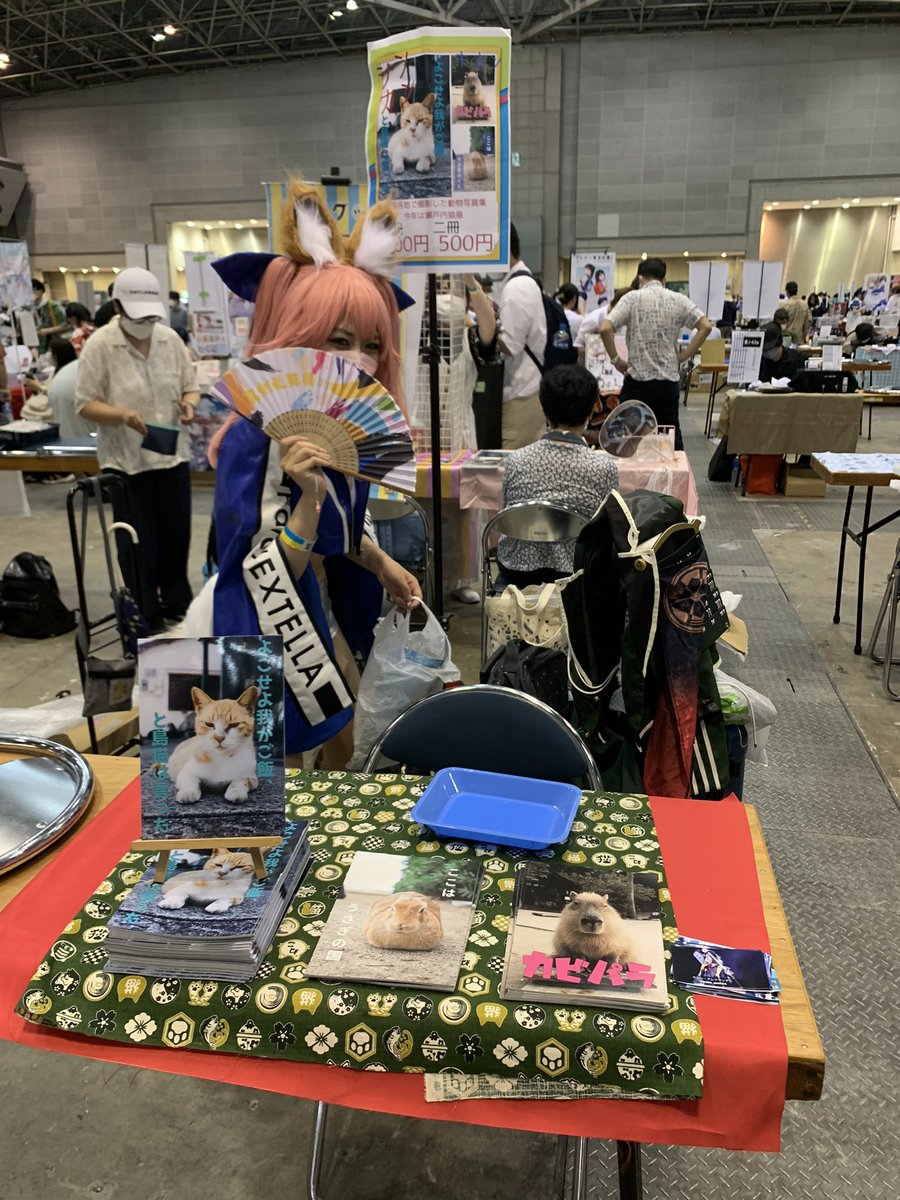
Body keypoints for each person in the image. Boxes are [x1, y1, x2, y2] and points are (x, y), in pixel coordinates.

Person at [204, 182, 422, 766]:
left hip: (319, 603)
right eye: (339, 339)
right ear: (297, 337)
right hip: (259, 620)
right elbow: (258, 571)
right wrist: (306, 501)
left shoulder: (342, 424)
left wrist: (381, 563)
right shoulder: (256, 436)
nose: (358, 359)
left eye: (371, 344)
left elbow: (341, 526)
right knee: (262, 770)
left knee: (344, 749)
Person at [75, 267, 198, 632]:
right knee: (137, 543)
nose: (145, 323)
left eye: (149, 317)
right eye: (137, 316)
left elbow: (190, 386)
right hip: (126, 464)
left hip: (171, 457)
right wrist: (123, 415)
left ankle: (177, 604)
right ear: (117, 307)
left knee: (176, 537)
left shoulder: (169, 339)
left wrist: (189, 404)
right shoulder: (100, 345)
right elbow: (85, 403)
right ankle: (144, 613)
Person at [496, 364, 618, 587]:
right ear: (592, 410)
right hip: (577, 575)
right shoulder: (603, 467)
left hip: (517, 574)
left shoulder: (516, 461)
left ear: (543, 409)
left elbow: (508, 518)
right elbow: (607, 528)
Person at [599, 257, 712, 450]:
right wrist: (684, 356)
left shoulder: (632, 299)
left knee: (628, 440)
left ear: (640, 278)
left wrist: (616, 360)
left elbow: (605, 328)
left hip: (637, 382)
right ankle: (676, 468)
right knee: (670, 436)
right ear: (663, 279)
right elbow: (706, 326)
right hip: (667, 382)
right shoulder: (678, 299)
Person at [497, 222, 547, 449]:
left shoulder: (517, 287)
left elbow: (510, 345)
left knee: (513, 459)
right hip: (524, 390)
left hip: (521, 393)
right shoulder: (521, 283)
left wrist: (481, 332)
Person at [31, 278, 68, 357]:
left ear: (41, 291)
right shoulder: (29, 309)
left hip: (52, 345)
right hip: (36, 348)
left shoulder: (53, 306)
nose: (32, 293)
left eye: (34, 290)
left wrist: (46, 331)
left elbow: (65, 325)